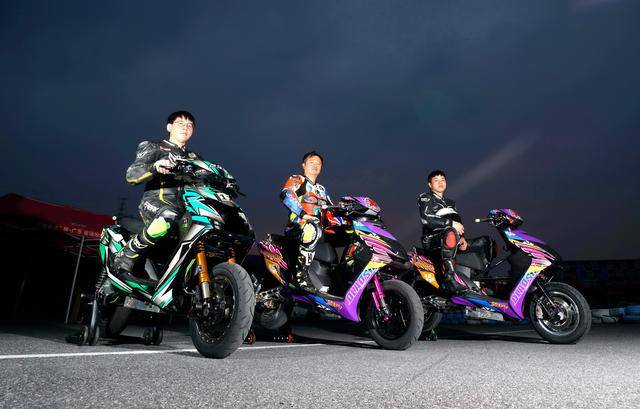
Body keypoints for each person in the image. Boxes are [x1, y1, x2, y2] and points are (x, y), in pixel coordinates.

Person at [112, 110, 235, 286]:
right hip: (156, 202)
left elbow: (207, 178)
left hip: (188, 208)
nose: (185, 127)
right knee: (168, 216)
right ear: (169, 127)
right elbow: (132, 175)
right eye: (180, 123)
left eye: (190, 125)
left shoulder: (195, 158)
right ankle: (128, 254)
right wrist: (155, 166)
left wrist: (225, 182)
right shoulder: (153, 146)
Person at [280, 151, 333, 293]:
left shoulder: (322, 189)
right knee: (312, 227)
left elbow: (330, 209)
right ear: (303, 165)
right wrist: (304, 215)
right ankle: (301, 274)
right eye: (311, 162)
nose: (315, 165)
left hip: (319, 227)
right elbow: (286, 195)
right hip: (298, 225)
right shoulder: (297, 179)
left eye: (318, 164)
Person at [418, 169, 471, 294]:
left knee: (485, 242)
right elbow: (426, 219)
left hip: (452, 237)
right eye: (436, 180)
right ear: (430, 184)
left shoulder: (450, 202)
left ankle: (477, 280)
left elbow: (457, 221)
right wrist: (451, 224)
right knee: (450, 233)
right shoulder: (425, 197)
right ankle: (449, 278)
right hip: (432, 239)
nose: (440, 182)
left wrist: (462, 237)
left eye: (442, 180)